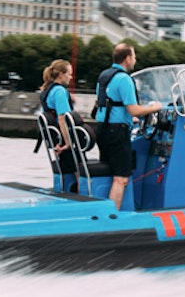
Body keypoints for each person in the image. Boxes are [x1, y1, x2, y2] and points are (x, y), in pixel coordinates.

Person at [92, 43, 163, 211]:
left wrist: (132, 120)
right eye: (134, 56)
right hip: (117, 133)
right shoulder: (124, 79)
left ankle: (103, 212)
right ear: (127, 58)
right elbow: (133, 109)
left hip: (102, 130)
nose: (135, 59)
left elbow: (112, 104)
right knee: (120, 178)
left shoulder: (104, 76)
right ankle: (112, 216)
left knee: (110, 172)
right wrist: (154, 108)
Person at [37, 59, 81, 176]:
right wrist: (68, 143)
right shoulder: (60, 91)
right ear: (61, 75)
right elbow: (63, 118)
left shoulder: (47, 90)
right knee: (79, 172)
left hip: (55, 137)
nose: (71, 77)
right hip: (64, 137)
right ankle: (80, 193)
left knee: (66, 172)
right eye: (69, 74)